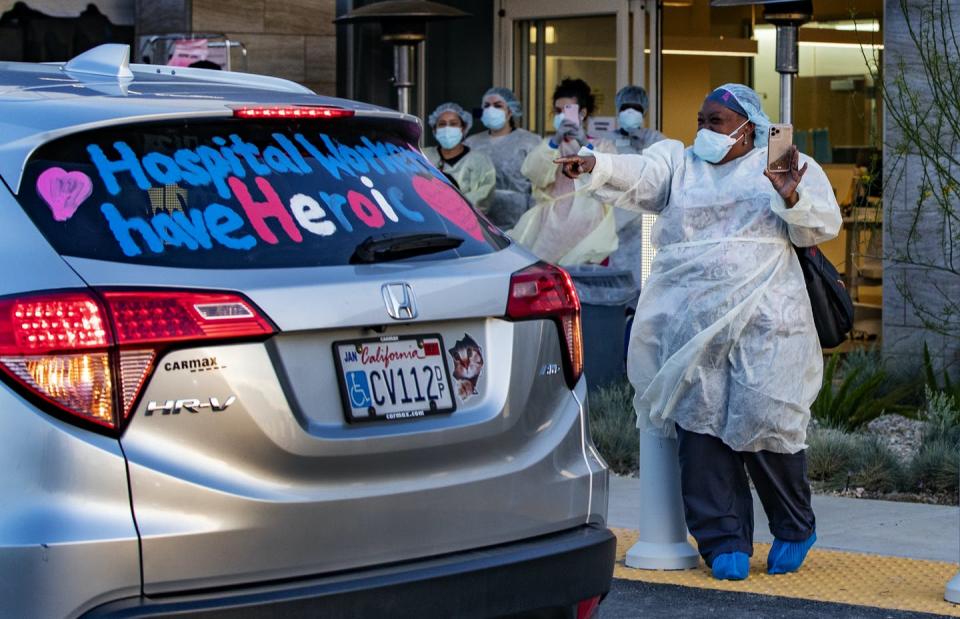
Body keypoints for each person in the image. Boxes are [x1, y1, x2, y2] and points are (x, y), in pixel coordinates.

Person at [557, 83, 841, 581]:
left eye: (717, 121)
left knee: (767, 420)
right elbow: (641, 173)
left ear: (748, 127)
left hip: (766, 322)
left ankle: (795, 527)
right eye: (701, 120)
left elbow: (818, 228)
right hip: (690, 325)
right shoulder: (679, 164)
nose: (704, 131)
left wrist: (791, 194)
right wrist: (595, 165)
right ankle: (722, 538)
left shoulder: (782, 165)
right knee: (700, 426)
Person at [512, 78, 618, 266]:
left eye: (567, 110)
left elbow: (611, 176)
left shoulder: (603, 146)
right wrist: (554, 142)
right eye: (558, 111)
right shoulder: (548, 147)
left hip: (589, 227)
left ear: (583, 113)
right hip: (551, 227)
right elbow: (533, 172)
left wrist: (585, 142)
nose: (561, 116)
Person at [598, 85, 667, 304]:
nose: (630, 112)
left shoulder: (656, 139)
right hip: (615, 222)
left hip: (647, 223)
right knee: (618, 281)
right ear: (617, 109)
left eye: (635, 107)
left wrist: (641, 148)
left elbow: (663, 175)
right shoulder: (606, 140)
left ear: (644, 111)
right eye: (625, 107)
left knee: (647, 282)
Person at [463, 87, 541, 228]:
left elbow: (538, 185)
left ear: (510, 111)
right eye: (486, 106)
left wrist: (532, 222)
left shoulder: (529, 142)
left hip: (518, 221)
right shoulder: (471, 143)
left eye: (498, 106)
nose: (491, 109)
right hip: (477, 220)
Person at [423, 102, 496, 208]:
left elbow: (483, 197)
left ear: (463, 128)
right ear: (434, 129)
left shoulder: (480, 161)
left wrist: (451, 205)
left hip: (465, 222)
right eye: (442, 124)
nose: (447, 129)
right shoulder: (423, 156)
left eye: (453, 124)